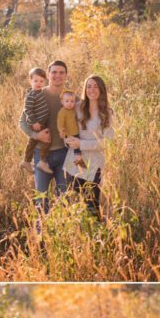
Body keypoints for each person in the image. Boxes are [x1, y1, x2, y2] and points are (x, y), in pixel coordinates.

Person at [19, 60, 71, 212]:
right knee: (41, 201)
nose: (57, 76)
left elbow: (83, 118)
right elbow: (22, 122)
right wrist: (36, 135)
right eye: (54, 72)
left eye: (61, 72)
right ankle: (41, 235)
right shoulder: (37, 94)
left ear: (66, 76)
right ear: (48, 75)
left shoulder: (69, 98)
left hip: (63, 154)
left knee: (64, 199)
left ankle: (62, 235)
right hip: (42, 154)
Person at [64, 75, 116, 218]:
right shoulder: (77, 108)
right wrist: (68, 140)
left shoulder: (107, 113)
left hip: (94, 166)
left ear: (102, 90)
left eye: (95, 86)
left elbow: (106, 142)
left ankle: (95, 238)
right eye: (89, 86)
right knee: (71, 206)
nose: (92, 89)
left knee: (92, 207)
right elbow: (65, 126)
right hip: (74, 163)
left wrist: (82, 143)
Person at [20, 68, 53, 174]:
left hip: (41, 121)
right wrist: (34, 122)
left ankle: (27, 161)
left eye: (41, 81)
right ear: (30, 81)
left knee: (33, 142)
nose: (38, 83)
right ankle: (41, 161)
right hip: (37, 123)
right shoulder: (31, 95)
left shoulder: (41, 92)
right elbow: (27, 110)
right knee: (46, 140)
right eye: (35, 81)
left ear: (45, 81)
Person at [57, 90, 87, 170]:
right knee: (75, 148)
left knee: (79, 147)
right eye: (67, 101)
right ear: (62, 102)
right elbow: (60, 123)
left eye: (72, 101)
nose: (70, 103)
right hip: (69, 133)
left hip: (77, 132)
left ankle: (78, 161)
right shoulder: (62, 112)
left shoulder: (74, 109)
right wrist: (61, 131)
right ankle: (78, 160)